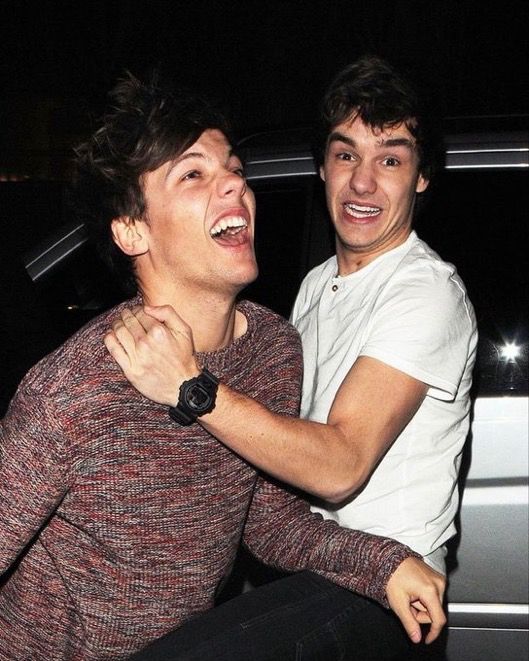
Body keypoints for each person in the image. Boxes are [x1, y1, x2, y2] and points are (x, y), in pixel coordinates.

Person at [0, 71, 445, 660]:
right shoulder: (79, 385)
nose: (235, 183)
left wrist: (382, 564)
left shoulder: (272, 349)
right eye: (193, 174)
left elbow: (268, 522)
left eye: (233, 169)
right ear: (132, 231)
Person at [107, 56, 477, 655]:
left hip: (386, 589)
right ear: (323, 167)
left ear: (421, 177)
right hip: (311, 560)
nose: (363, 183)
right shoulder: (317, 284)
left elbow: (339, 465)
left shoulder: (426, 290)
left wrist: (192, 388)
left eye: (390, 160)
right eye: (346, 155)